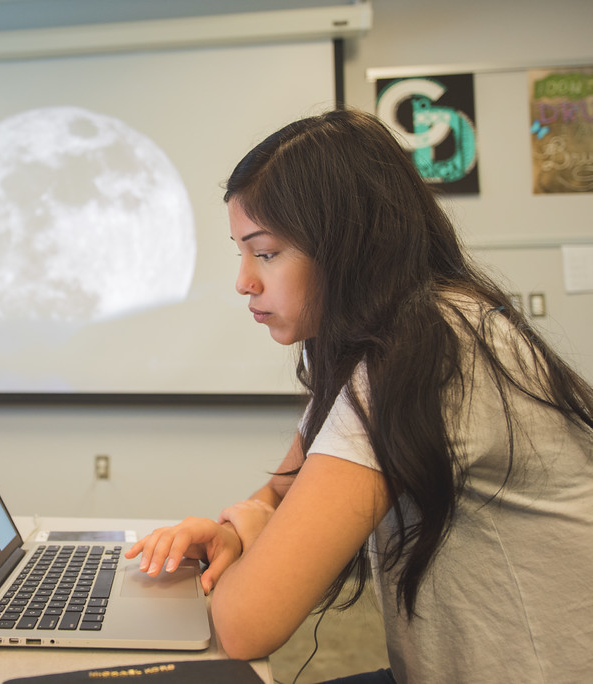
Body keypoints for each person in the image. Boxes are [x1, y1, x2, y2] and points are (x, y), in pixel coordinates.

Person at [125, 109, 593, 683]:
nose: (243, 280)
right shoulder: (398, 334)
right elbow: (280, 491)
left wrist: (248, 530)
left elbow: (245, 624)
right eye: (240, 252)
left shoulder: (425, 354)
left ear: (350, 246)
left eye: (266, 252)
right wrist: (239, 528)